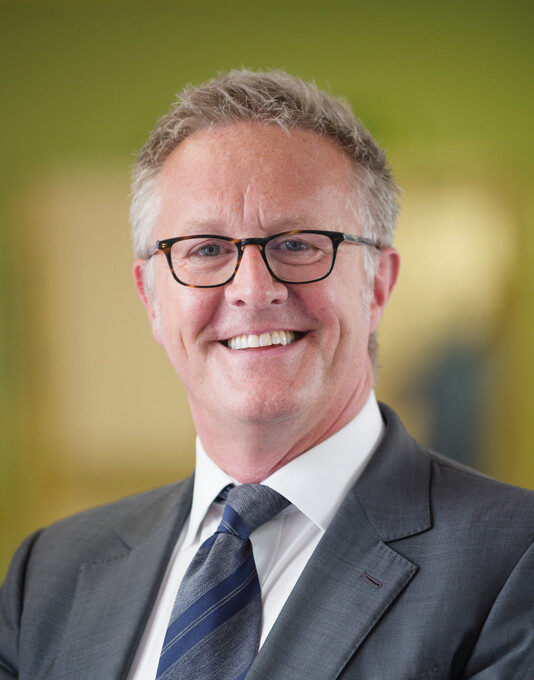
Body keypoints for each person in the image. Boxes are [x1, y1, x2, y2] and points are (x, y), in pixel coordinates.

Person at [1, 70, 533, 680]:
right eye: (206, 249)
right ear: (150, 297)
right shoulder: (48, 577)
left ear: (378, 284)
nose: (253, 290)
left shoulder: (515, 560)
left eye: (298, 244)